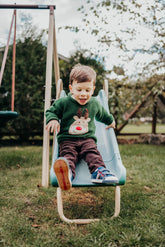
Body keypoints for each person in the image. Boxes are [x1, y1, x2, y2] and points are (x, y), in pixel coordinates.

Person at [46, 64, 119, 190]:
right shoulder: (63, 102)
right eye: (79, 90)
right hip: (67, 139)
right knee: (68, 155)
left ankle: (99, 172)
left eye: (87, 90)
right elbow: (51, 111)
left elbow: (103, 115)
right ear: (71, 88)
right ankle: (67, 174)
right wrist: (52, 119)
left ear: (93, 89)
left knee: (93, 154)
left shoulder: (95, 103)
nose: (83, 94)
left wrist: (110, 121)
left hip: (87, 139)